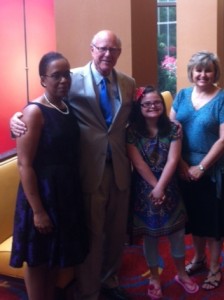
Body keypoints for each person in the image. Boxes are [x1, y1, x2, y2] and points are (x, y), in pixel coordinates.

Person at [10, 30, 135, 300]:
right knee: (90, 236)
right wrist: (15, 119)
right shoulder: (71, 77)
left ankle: (109, 281)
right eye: (102, 48)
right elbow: (38, 108)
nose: (107, 54)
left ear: (119, 53)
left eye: (113, 50)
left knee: (114, 234)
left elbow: (131, 123)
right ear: (92, 49)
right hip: (86, 172)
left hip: (117, 171)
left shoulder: (127, 83)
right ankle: (88, 292)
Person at [9, 52, 88, 300]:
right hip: (40, 194)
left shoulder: (66, 106)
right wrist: (38, 211)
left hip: (63, 192)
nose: (63, 80)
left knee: (53, 255)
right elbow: (24, 164)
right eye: (56, 76)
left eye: (67, 74)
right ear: (43, 79)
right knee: (37, 258)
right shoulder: (34, 112)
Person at [170, 51, 224, 291]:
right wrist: (182, 165)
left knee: (214, 222)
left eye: (208, 70)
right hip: (185, 169)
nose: (202, 74)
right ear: (191, 73)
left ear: (215, 73)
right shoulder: (181, 95)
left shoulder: (223, 99)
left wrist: (201, 167)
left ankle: (214, 267)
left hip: (215, 170)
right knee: (194, 218)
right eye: (198, 70)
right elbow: (171, 129)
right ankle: (198, 258)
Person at [126, 85, 199, 299]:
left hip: (170, 187)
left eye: (156, 102)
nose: (152, 106)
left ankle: (181, 274)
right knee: (150, 236)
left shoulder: (174, 127)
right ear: (139, 107)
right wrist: (154, 188)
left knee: (176, 234)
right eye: (146, 103)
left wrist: (161, 187)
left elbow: (174, 160)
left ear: (163, 104)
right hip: (143, 190)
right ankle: (154, 277)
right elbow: (137, 163)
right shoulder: (131, 131)